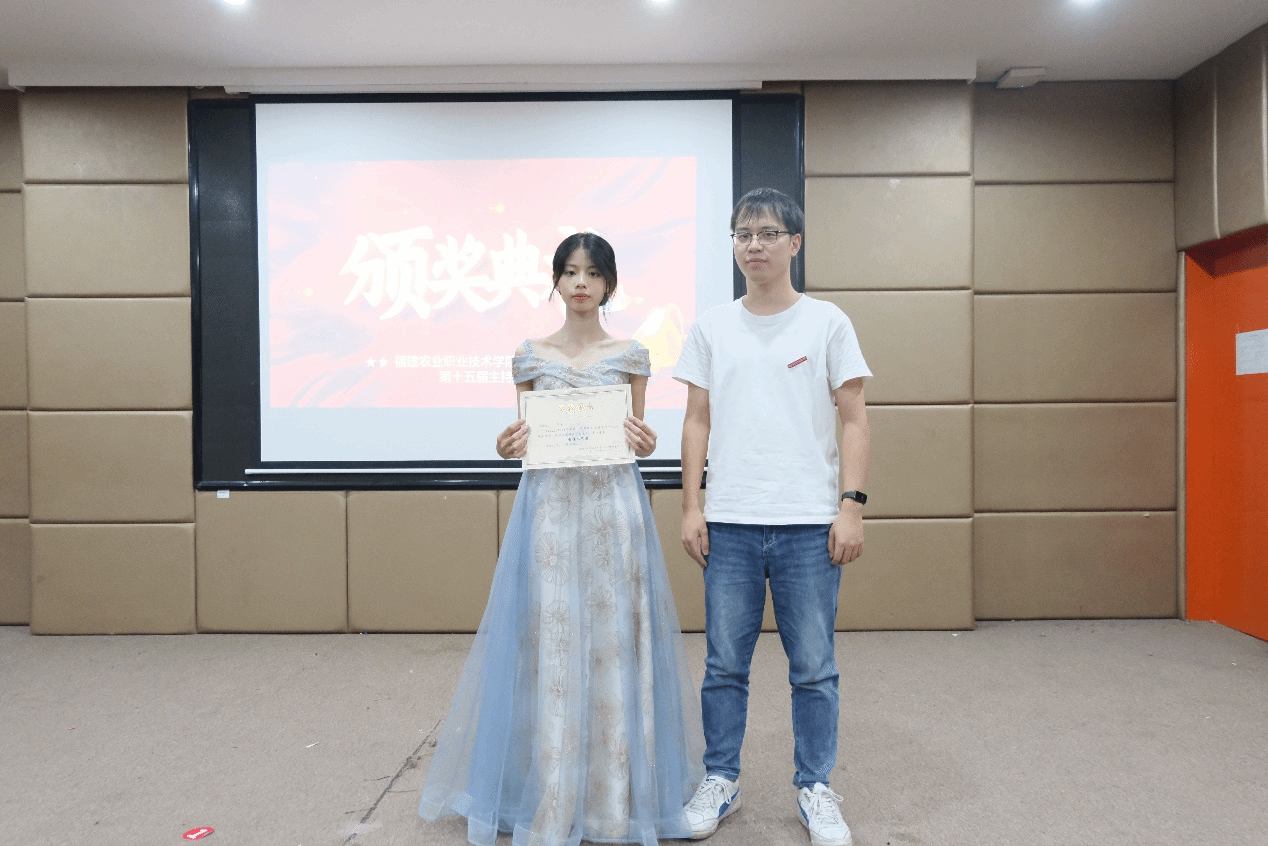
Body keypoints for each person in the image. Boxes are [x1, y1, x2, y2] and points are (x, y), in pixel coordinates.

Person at [418, 232, 705, 846]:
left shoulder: (631, 354)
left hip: (611, 511)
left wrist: (646, 442)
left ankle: (610, 801)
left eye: (593, 273)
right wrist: (506, 444)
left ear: (609, 284)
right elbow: (523, 440)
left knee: (612, 641)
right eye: (571, 272)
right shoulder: (530, 356)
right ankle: (551, 792)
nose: (581, 283)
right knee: (550, 642)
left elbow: (635, 439)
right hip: (548, 512)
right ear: (555, 281)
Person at [673, 188, 871, 846]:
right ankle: (720, 780)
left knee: (813, 667)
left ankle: (816, 787)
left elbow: (854, 419)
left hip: (808, 523)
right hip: (729, 522)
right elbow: (696, 421)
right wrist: (692, 506)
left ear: (795, 243)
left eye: (766, 233)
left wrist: (851, 507)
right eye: (742, 234)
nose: (753, 244)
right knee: (724, 666)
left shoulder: (827, 323)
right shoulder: (711, 326)